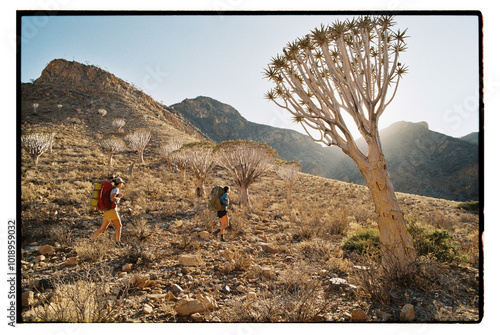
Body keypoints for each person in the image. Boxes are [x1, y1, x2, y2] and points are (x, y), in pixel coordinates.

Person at [92, 177, 125, 246]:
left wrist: (118, 196)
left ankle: (92, 240)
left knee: (103, 228)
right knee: (119, 226)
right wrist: (119, 197)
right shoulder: (116, 189)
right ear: (119, 184)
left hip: (107, 210)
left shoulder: (113, 189)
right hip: (112, 211)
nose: (122, 185)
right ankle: (118, 243)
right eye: (121, 183)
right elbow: (112, 199)